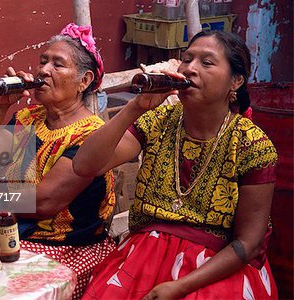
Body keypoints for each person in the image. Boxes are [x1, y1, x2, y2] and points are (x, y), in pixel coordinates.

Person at [73, 30, 278, 299]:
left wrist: (180, 286)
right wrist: (137, 106)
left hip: (214, 267)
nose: (190, 68)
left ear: (236, 81)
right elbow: (79, 170)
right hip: (136, 253)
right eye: (187, 59)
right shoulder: (21, 121)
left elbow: (248, 245)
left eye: (206, 62)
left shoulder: (252, 145)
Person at [0, 23, 116, 299]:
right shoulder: (27, 119)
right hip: (10, 230)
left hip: (63, 247)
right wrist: (0, 107)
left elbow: (45, 202)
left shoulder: (92, 135)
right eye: (42, 61)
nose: (43, 70)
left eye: (58, 65)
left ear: (84, 81)